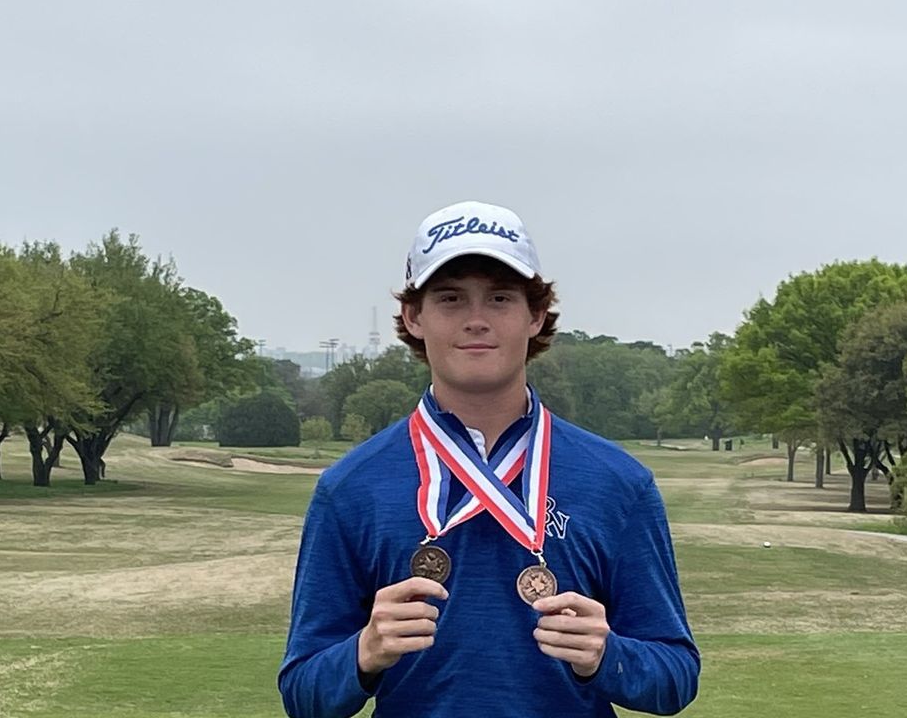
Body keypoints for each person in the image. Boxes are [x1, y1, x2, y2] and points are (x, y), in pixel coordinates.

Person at [278, 201, 699, 717]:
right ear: (414, 317)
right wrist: (362, 654)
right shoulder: (350, 488)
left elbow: (675, 678)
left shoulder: (617, 482)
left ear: (536, 315)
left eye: (500, 298)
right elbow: (303, 694)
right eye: (451, 298)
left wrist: (608, 655)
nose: (476, 320)